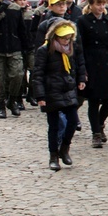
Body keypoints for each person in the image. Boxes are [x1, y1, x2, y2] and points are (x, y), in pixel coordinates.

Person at [31, 20, 86, 171]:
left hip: (68, 88)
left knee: (73, 121)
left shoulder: (71, 48)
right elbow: (38, 74)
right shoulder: (45, 50)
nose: (66, 41)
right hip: (51, 91)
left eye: (68, 38)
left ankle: (65, 148)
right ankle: (53, 155)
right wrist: (40, 96)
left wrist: (81, 78)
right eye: (63, 38)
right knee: (54, 126)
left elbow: (78, 64)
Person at [77, 0, 108, 148]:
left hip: (107, 62)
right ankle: (96, 132)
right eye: (98, 4)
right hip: (91, 62)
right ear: (91, 5)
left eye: (103, 4)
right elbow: (79, 45)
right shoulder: (82, 21)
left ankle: (100, 123)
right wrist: (83, 68)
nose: (101, 7)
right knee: (93, 100)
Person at [0, 0, 30, 119]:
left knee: (18, 74)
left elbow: (21, 29)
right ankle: (1, 106)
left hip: (14, 47)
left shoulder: (16, 9)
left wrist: (25, 46)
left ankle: (12, 100)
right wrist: (2, 8)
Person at [15, 0, 35, 109]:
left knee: (34, 70)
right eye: (20, 0)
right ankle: (19, 98)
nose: (23, 2)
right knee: (20, 73)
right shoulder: (14, 13)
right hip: (18, 47)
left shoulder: (30, 14)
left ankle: (31, 93)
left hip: (30, 46)